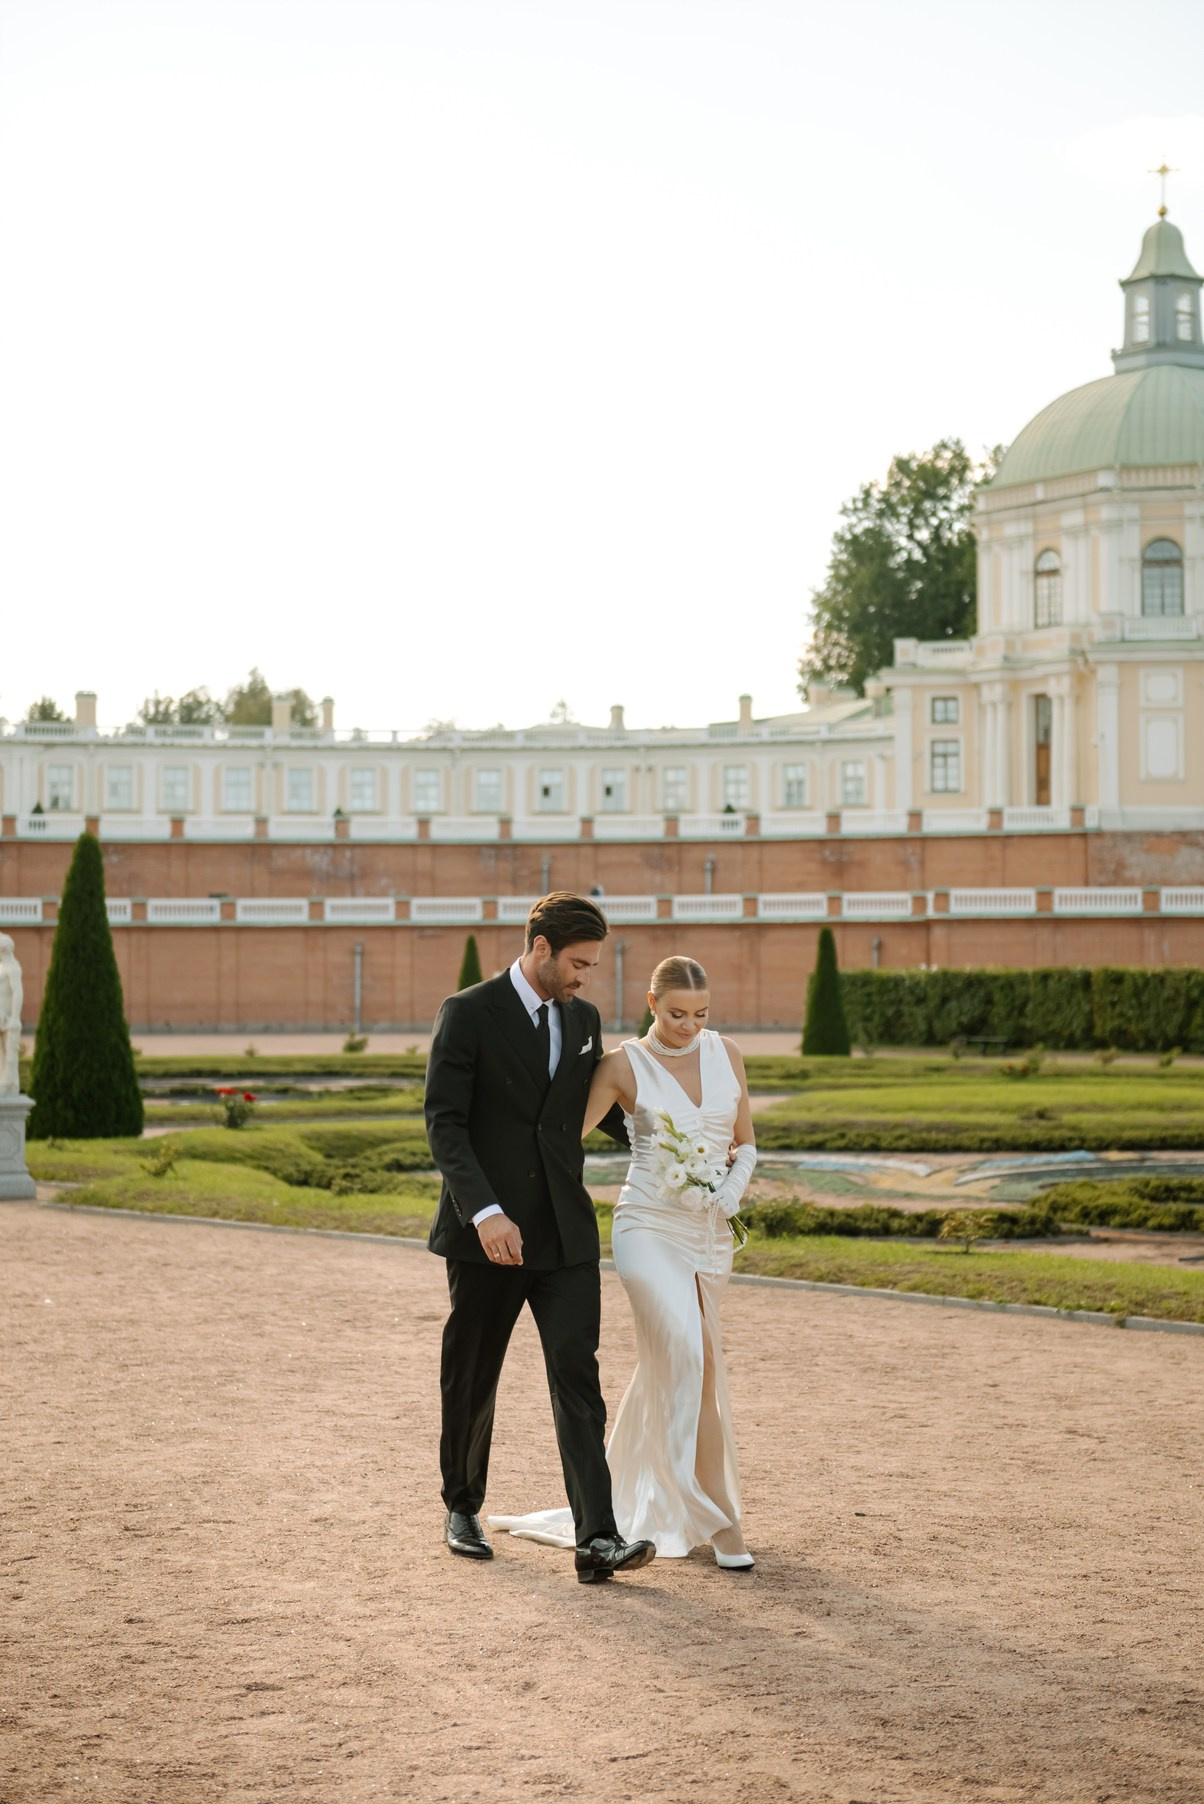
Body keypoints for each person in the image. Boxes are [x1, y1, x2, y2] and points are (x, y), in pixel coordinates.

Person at [490, 955, 758, 1569]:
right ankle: (721, 1522)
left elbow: (744, 1141)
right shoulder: (620, 1065)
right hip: (647, 1227)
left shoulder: (728, 1054)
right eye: (676, 1014)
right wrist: (499, 1199)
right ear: (651, 1002)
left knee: (701, 1367)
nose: (689, 1026)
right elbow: (555, 1139)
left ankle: (656, 1501)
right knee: (687, 1355)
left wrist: (733, 1187)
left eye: (701, 1014)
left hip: (712, 1230)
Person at [425, 891, 657, 1585]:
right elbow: (445, 1122)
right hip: (487, 1236)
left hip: (564, 1233)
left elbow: (593, 1108)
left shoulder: (582, 1019)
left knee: (577, 1378)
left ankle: (598, 1540)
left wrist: (679, 1142)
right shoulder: (467, 1013)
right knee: (472, 1374)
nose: (587, 977)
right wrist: (485, 1211)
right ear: (540, 948)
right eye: (579, 963)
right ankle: (462, 1507)